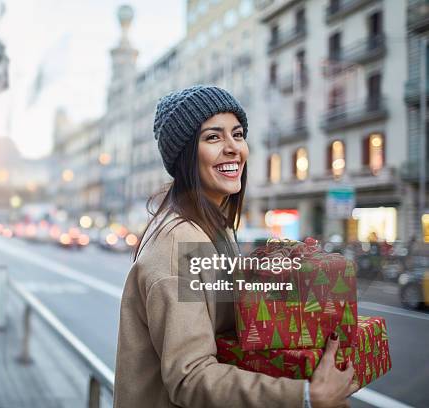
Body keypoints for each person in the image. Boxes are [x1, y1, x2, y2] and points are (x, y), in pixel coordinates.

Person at [114, 86, 358, 408]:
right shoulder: (180, 243)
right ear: (185, 155)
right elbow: (191, 377)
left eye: (238, 134)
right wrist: (306, 397)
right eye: (213, 137)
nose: (233, 149)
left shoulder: (215, 227)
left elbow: (226, 329)